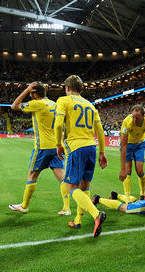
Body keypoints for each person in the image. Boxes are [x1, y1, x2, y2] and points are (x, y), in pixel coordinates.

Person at [54, 75, 108, 238]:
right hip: (91, 147)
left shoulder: (64, 100)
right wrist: (102, 152)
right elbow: (100, 131)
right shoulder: (91, 106)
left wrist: (58, 144)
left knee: (71, 187)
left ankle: (96, 214)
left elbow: (57, 124)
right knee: (84, 186)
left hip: (76, 147)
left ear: (68, 88)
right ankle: (78, 220)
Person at [8, 82, 70, 216]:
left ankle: (24, 206)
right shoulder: (54, 103)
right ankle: (66, 208)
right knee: (62, 177)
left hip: (43, 147)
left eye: (31, 93)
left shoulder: (37, 104)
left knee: (32, 174)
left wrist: (26, 90)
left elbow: (14, 106)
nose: (30, 95)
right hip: (57, 146)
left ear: (35, 94)